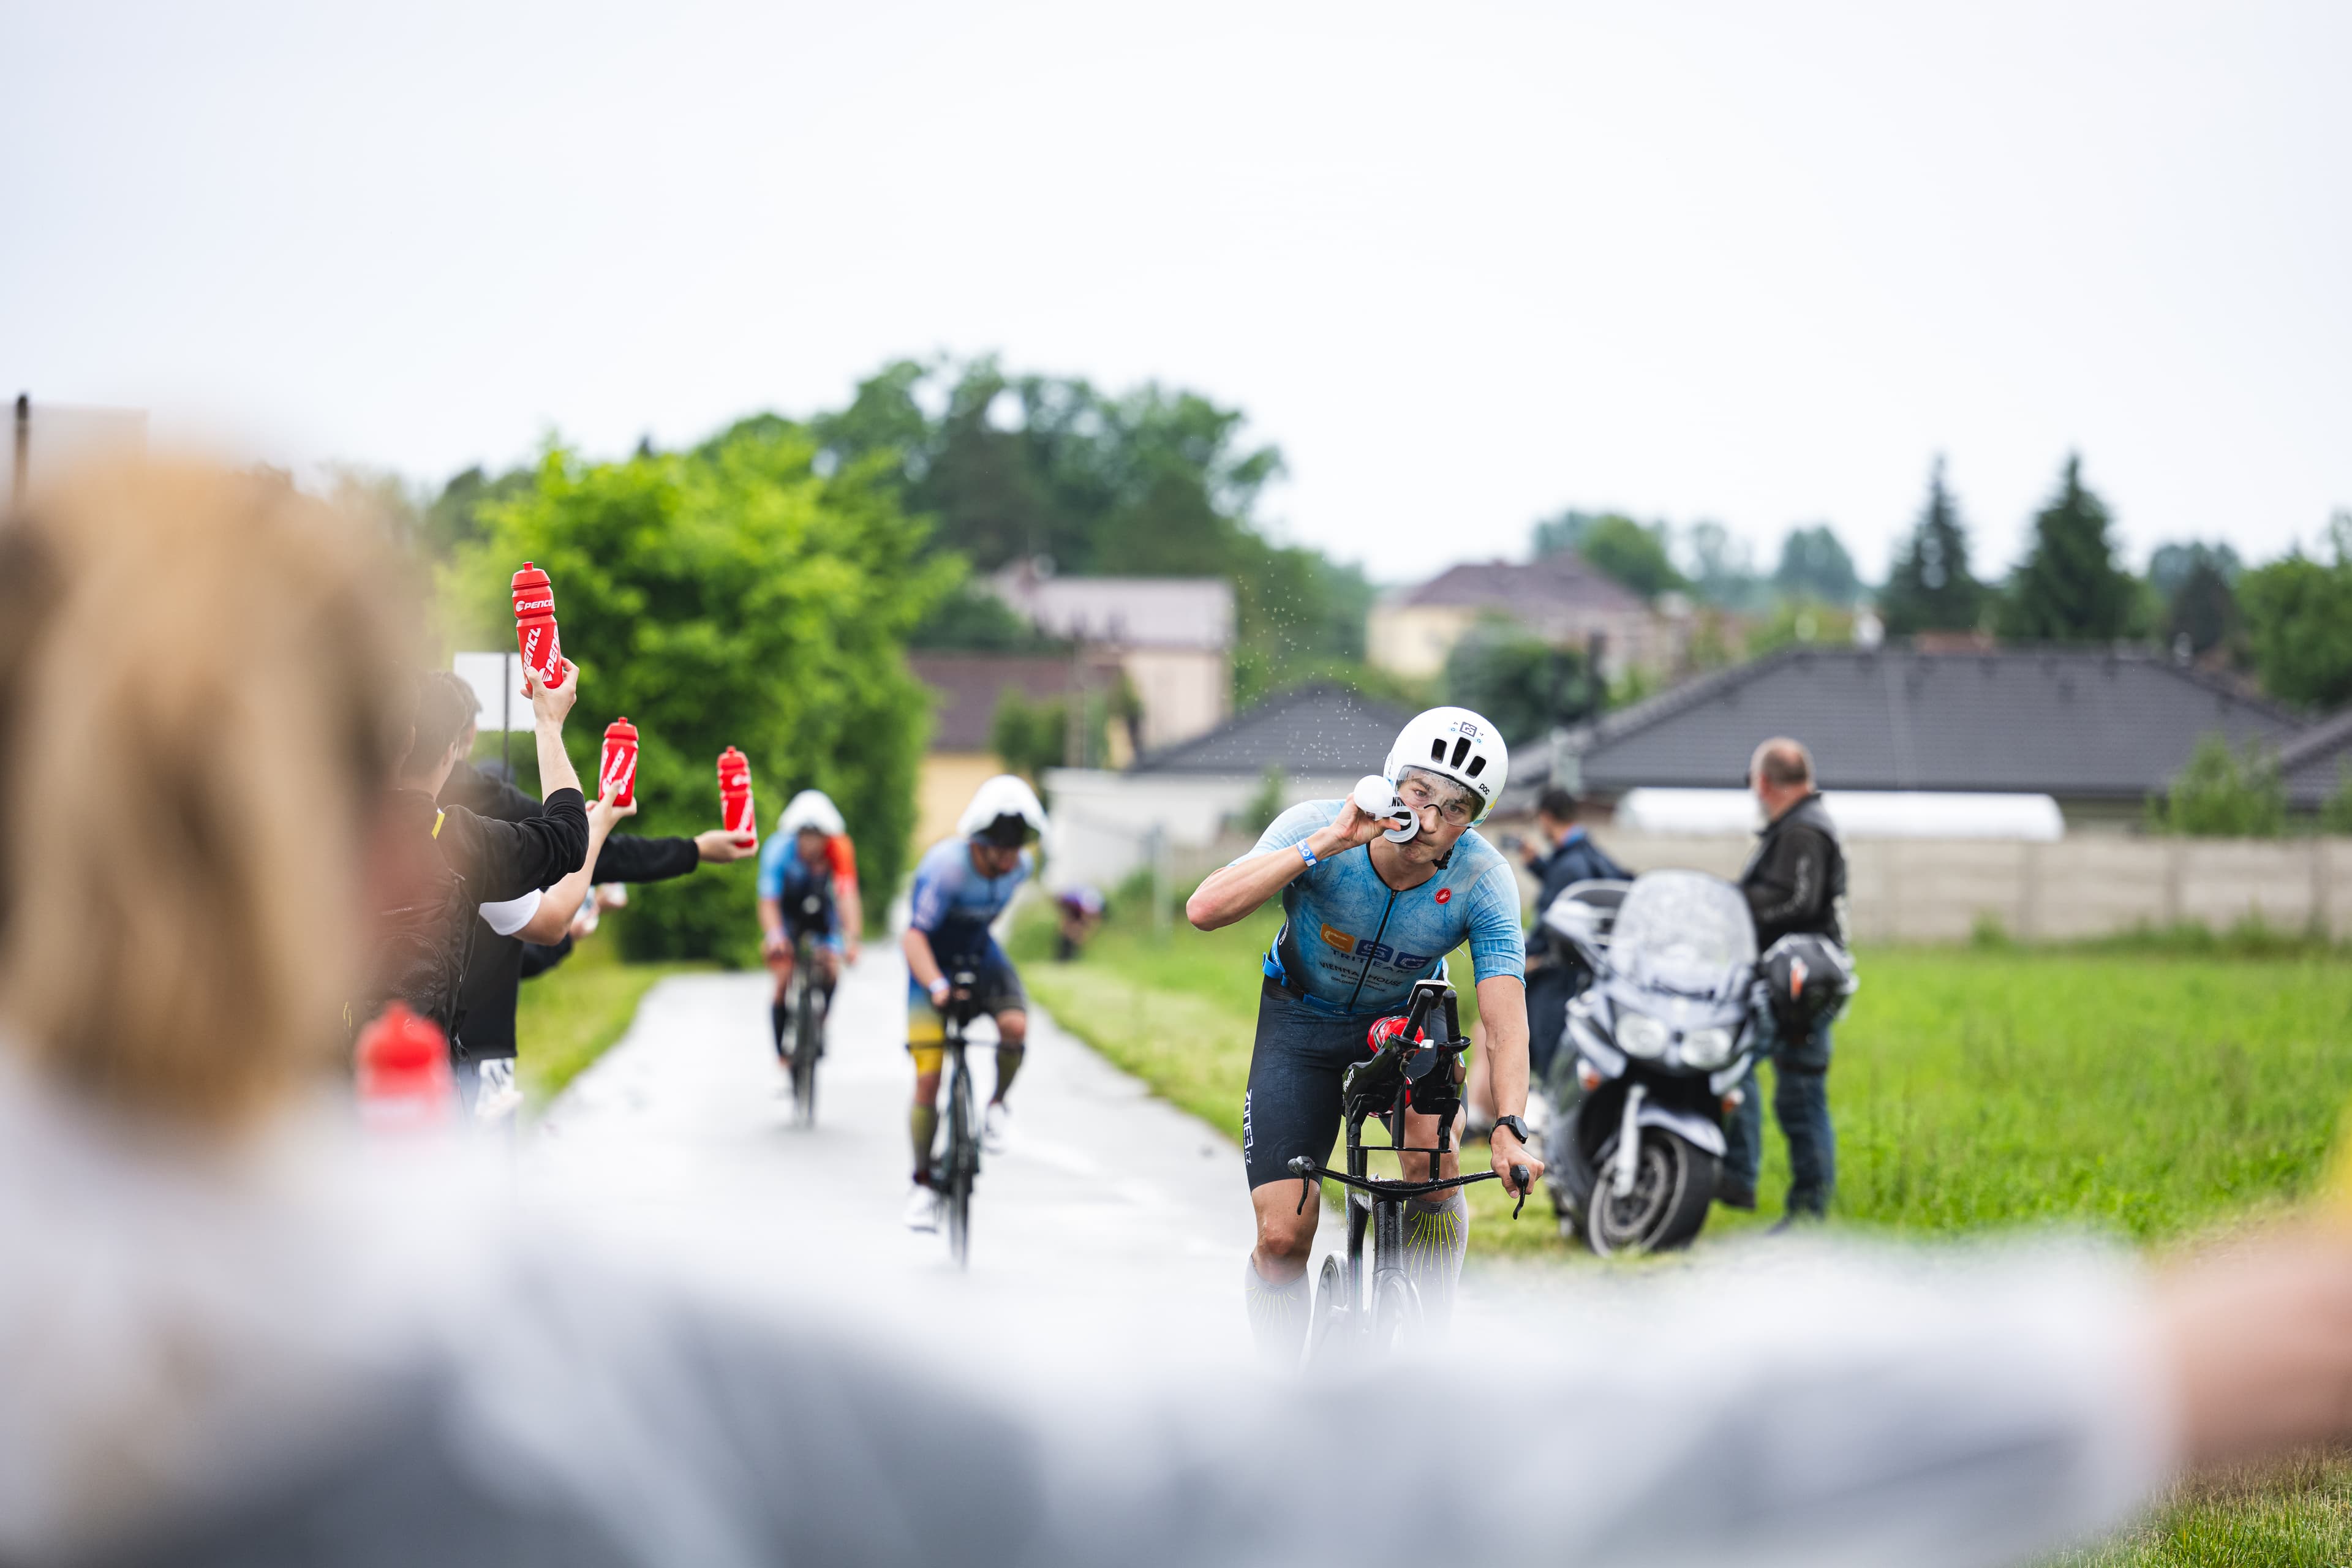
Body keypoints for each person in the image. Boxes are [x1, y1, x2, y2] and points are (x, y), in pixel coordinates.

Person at [26, 462, 2352, 1568]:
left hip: (1357, 1038)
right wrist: (2141, 1359)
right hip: (1245, 1014)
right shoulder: (472, 1331)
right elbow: (1181, 1454)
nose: (1437, 834)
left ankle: (1131, 1145)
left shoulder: (1421, 899)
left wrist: (1505, 1124)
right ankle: (1171, 1198)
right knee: (1220, 1203)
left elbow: (1505, 1018)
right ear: (369, 852)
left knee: (1053, 1040)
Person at [1184, 706, 1542, 1354]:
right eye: (1420, 791)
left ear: (1475, 820)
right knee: (1281, 1239)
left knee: (1430, 1160)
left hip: (1402, 1027)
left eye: (1457, 808)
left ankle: (1425, 1346)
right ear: (1390, 782)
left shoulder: (1483, 880)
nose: (1430, 819)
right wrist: (1326, 844)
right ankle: (1281, 1384)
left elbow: (1505, 1019)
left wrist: (1512, 1126)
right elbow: (1205, 910)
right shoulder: (1317, 826)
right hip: (1299, 1022)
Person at [437, 705, 755, 1091]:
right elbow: (554, 906)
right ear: (461, 738)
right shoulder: (465, 838)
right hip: (473, 1047)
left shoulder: (374, 822)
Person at [376, 662, 631, 1108]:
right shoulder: (459, 845)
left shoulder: (326, 832)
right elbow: (560, 881)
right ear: (449, 751)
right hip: (427, 1095)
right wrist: (549, 725)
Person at [899, 774, 1045, 1231]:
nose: (1007, 858)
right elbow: (913, 935)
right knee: (928, 1078)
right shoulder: (946, 867)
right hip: (930, 965)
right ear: (978, 842)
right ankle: (922, 1184)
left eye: (1015, 847)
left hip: (979, 954)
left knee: (1016, 1028)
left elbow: (990, 916)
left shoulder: (1020, 868)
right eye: (998, 848)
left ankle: (997, 1104)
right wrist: (939, 987)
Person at [1723, 736, 1849, 1224]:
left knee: (1745, 1068)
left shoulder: (1804, 831)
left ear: (1764, 783)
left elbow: (1798, 903)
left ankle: (1744, 1179)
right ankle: (1805, 1211)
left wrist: (1734, 906)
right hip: (1796, 980)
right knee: (1799, 1094)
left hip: (1799, 983)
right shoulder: (1801, 826)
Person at [1519, 787, 1628, 1089]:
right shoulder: (1588, 854)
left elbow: (1556, 916)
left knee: (1548, 1053)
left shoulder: (1568, 865)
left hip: (1559, 975)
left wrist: (1524, 956)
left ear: (1546, 817)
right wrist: (1538, 866)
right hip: (1592, 972)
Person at [757, 789, 864, 1063]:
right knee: (782, 976)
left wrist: (851, 940)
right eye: (805, 836)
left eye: (818, 837)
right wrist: (775, 936)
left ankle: (820, 1021)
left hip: (821, 910)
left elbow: (847, 895)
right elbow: (769, 901)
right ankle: (782, 1053)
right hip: (788, 912)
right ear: (796, 834)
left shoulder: (839, 848)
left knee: (831, 966)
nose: (812, 844)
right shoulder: (778, 848)